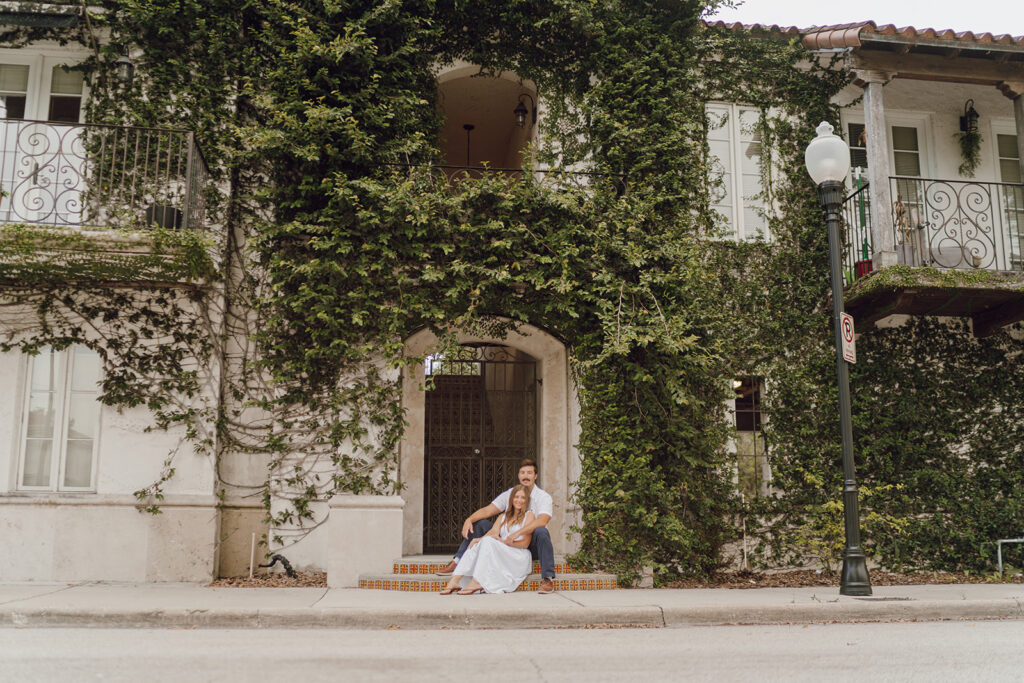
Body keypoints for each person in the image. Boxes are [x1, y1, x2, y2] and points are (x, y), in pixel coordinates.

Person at [437, 458, 556, 594]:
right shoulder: (509, 497)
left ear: (535, 476)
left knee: (541, 531)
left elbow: (542, 520)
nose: (526, 476)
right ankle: (457, 564)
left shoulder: (542, 497)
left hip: (529, 543)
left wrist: (516, 534)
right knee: (479, 525)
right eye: (523, 472)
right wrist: (469, 520)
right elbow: (488, 510)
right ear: (518, 475)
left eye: (529, 473)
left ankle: (547, 578)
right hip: (505, 542)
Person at [439, 484, 534, 594]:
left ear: (526, 500)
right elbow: (493, 532)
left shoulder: (529, 515)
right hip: (504, 552)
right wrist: (478, 540)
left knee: (489, 542)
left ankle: (477, 581)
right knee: (476, 543)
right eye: (516, 497)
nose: (519, 500)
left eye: (523, 498)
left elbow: (525, 543)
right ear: (511, 499)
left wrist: (503, 542)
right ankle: (455, 580)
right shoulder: (503, 516)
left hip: (518, 555)